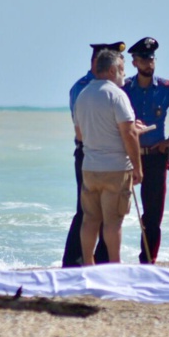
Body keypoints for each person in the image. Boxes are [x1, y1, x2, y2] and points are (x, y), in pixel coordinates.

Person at [123, 37, 169, 264]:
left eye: (151, 58)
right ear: (134, 62)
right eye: (143, 59)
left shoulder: (166, 88)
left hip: (155, 158)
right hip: (127, 157)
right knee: (114, 212)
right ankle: (105, 260)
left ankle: (148, 261)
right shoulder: (123, 88)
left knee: (153, 217)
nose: (148, 63)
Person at [73, 49, 143, 265]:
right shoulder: (117, 95)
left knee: (90, 219)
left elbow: (79, 134)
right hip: (115, 167)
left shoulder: (83, 95)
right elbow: (129, 134)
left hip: (90, 167)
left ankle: (87, 263)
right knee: (113, 222)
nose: (123, 75)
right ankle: (114, 265)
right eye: (121, 70)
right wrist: (138, 168)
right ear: (112, 70)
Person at [62, 41, 125, 267]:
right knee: (87, 212)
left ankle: (100, 261)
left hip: (101, 153)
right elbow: (81, 127)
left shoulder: (110, 86)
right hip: (89, 151)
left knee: (103, 214)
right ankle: (74, 261)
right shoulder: (83, 87)